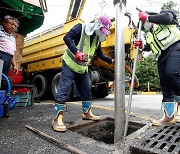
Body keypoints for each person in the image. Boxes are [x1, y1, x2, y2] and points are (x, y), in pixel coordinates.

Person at [52, 16, 115, 132]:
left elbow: (100, 54)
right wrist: (77, 52)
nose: (104, 35)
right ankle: (57, 119)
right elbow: (67, 38)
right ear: (97, 26)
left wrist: (111, 61)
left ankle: (86, 113)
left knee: (86, 88)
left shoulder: (96, 38)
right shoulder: (81, 28)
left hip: (82, 68)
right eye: (103, 31)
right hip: (70, 64)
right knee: (64, 88)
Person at [135, 9, 180, 126]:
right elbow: (150, 47)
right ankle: (169, 117)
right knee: (165, 85)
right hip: (161, 56)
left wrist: (148, 17)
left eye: (146, 21)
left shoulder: (167, 19)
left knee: (172, 73)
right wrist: (142, 46)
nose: (146, 24)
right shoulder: (151, 34)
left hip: (175, 48)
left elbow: (167, 17)